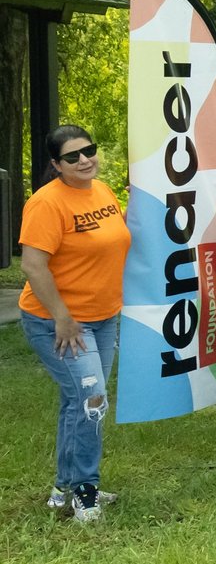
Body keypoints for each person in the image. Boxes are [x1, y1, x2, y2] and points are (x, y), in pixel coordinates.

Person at [19, 126, 133, 523]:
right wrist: (62, 318)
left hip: (103, 317)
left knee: (79, 402)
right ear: (56, 164)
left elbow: (112, 239)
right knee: (92, 401)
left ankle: (63, 489)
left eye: (89, 151)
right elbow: (33, 265)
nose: (84, 160)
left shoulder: (102, 191)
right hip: (59, 321)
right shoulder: (46, 203)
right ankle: (86, 491)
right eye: (72, 157)